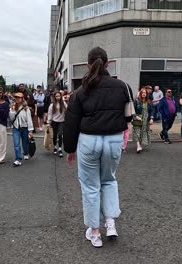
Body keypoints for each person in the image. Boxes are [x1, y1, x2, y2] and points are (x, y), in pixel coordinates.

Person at [64, 47, 129, 248]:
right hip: (114, 139)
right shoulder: (123, 87)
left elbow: (71, 122)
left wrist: (70, 149)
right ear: (108, 63)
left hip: (89, 140)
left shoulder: (80, 91)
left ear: (88, 65)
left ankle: (94, 232)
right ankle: (110, 223)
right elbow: (128, 116)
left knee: (91, 186)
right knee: (109, 180)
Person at [9, 92, 34, 167]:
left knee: (25, 143)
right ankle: (18, 159)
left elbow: (29, 119)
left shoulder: (26, 108)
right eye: (16, 97)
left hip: (25, 128)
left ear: (22, 99)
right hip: (16, 128)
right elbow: (11, 119)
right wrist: (12, 110)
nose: (17, 99)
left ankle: (26, 153)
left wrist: (30, 131)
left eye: (19, 97)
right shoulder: (12, 107)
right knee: (16, 144)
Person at [132, 87, 153, 153]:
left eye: (145, 93)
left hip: (146, 119)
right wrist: (135, 117)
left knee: (143, 132)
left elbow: (151, 111)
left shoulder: (149, 101)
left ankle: (140, 145)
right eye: (142, 92)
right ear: (140, 93)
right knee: (137, 131)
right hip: (138, 118)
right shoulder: (136, 101)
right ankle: (138, 146)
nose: (144, 94)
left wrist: (151, 118)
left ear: (147, 94)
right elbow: (133, 110)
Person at [47, 91, 68, 157]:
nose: (58, 97)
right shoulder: (52, 105)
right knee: (55, 135)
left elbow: (67, 112)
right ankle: (55, 147)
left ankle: (60, 149)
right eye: (56, 96)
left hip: (62, 121)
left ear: (61, 96)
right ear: (54, 97)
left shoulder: (64, 103)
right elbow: (50, 114)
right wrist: (48, 122)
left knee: (60, 134)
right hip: (54, 122)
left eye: (59, 96)